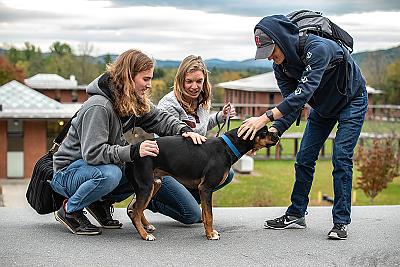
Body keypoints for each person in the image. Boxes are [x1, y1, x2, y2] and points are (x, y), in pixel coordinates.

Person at [238, 15, 368, 240]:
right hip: (323, 107)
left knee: (341, 158)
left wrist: (265, 118)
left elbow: (303, 94)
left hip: (352, 100)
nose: (270, 57)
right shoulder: (282, 68)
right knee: (304, 158)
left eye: (272, 50)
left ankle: (341, 221)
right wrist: (274, 130)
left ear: (282, 40)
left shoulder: (318, 48)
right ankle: (296, 213)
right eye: (265, 54)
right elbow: (292, 105)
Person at [51, 49, 206, 235]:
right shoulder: (99, 106)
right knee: (111, 174)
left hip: (94, 169)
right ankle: (69, 210)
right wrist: (133, 151)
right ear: (128, 77)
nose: (149, 85)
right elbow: (93, 154)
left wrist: (184, 130)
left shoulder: (130, 101)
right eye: (145, 79)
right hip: (69, 172)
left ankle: (99, 202)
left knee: (138, 170)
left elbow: (160, 118)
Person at [143, 55, 236, 224]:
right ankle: (151, 201)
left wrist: (221, 116)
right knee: (192, 216)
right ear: (180, 80)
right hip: (166, 167)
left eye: (199, 81)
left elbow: (200, 128)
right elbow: (169, 143)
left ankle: (187, 201)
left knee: (226, 174)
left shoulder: (202, 101)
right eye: (189, 81)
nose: (195, 87)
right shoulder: (169, 104)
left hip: (191, 164)